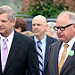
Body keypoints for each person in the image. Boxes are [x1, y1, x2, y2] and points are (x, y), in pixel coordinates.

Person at [0, 5, 40, 75]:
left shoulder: (27, 43)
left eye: (3, 21)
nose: (0, 24)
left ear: (13, 21)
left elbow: (33, 72)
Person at [48, 11, 75, 75]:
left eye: (62, 28)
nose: (58, 31)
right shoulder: (53, 47)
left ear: (74, 27)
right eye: (57, 28)